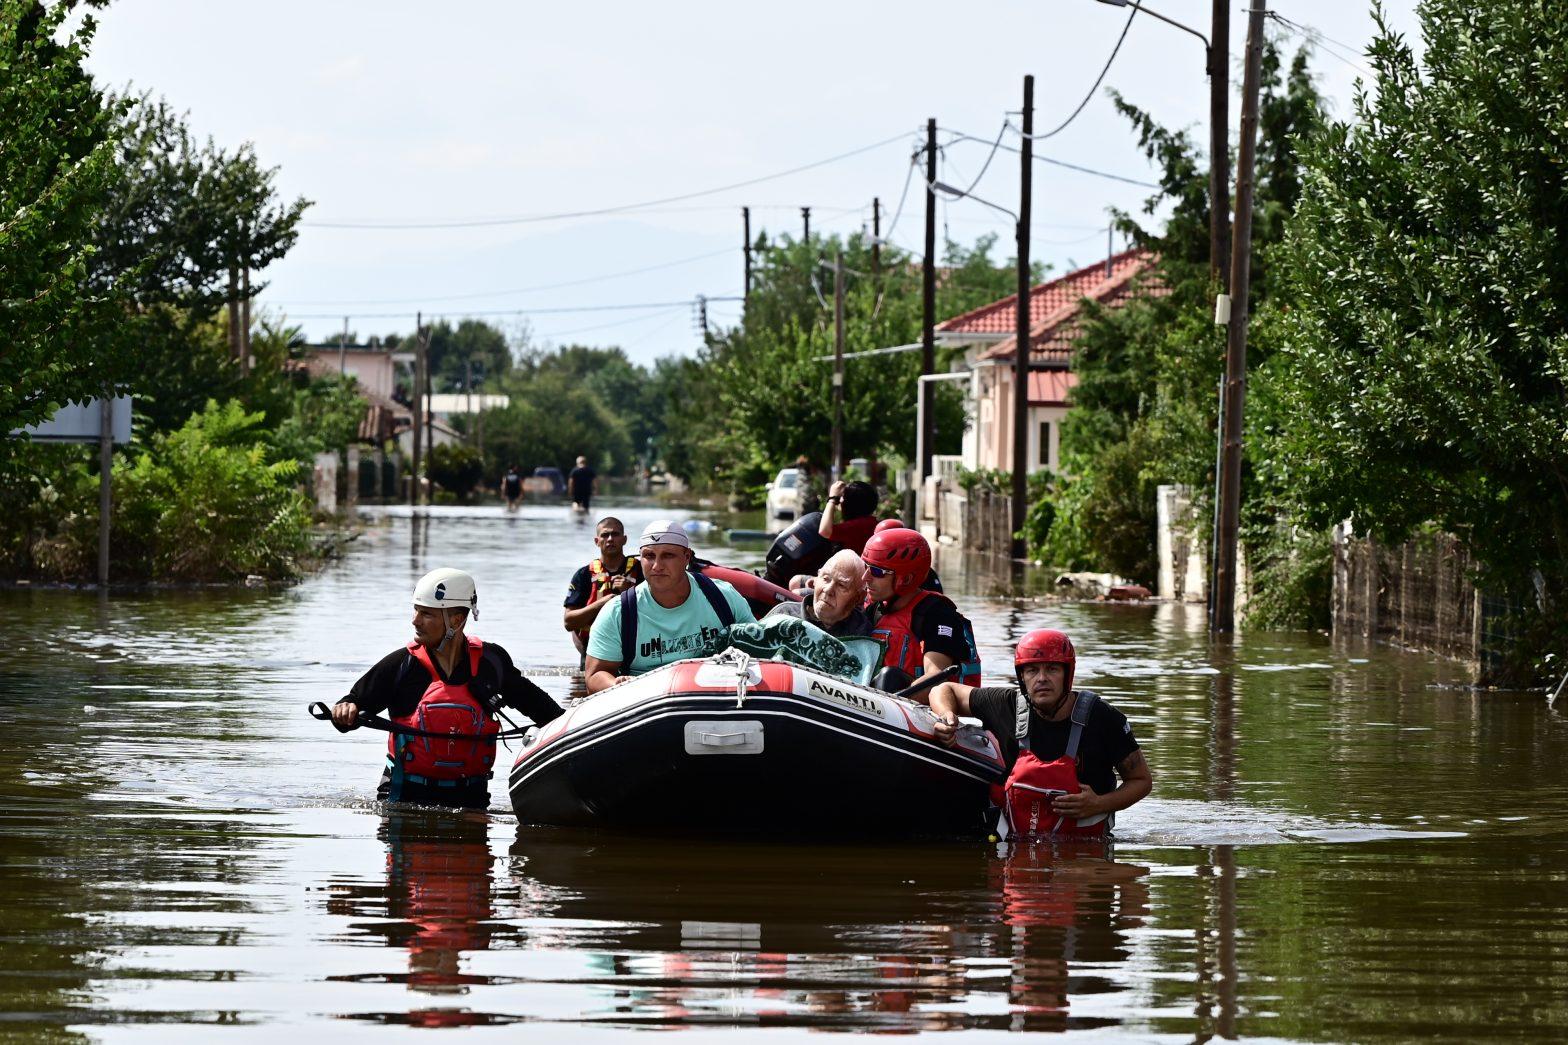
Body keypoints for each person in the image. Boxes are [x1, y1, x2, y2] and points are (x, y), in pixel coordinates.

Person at [331, 568, 564, 809]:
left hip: (471, 797)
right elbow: (352, 704)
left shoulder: (491, 662)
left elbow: (546, 712)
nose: (415, 620)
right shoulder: (402, 664)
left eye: (427, 614)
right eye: (416, 610)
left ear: (456, 619)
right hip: (403, 796)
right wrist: (345, 710)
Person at [928, 629, 1150, 839]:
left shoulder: (1104, 718)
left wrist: (1099, 804)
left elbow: (1141, 781)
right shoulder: (1007, 706)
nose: (1042, 678)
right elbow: (943, 689)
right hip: (1016, 850)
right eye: (1032, 670)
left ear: (1067, 674)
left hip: (1085, 856)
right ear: (1022, 677)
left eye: (1052, 669)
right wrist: (946, 716)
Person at [584, 520, 757, 692]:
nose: (657, 566)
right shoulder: (617, 613)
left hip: (716, 694)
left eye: (668, 555)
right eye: (649, 556)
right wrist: (616, 685)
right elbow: (595, 674)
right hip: (645, 702)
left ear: (687, 557)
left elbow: (758, 649)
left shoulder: (723, 596)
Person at [862, 527, 980, 690]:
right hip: (875, 699)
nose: (865, 577)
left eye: (876, 571)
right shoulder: (873, 608)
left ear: (907, 578)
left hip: (916, 705)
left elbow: (935, 678)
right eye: (865, 566)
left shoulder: (938, 614)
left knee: (889, 678)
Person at [562, 516, 643, 662]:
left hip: (636, 652)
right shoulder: (583, 575)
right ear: (597, 541)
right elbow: (568, 622)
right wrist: (603, 602)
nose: (610, 539)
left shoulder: (642, 571)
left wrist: (629, 594)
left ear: (624, 539)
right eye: (605, 535)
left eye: (615, 534)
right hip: (594, 652)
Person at [764, 549, 874, 638]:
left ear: (857, 598)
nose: (828, 590)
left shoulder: (862, 632)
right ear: (816, 580)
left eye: (841, 585)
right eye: (826, 578)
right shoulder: (784, 614)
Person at [817, 480, 879, 553]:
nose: (840, 500)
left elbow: (824, 531)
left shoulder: (858, 526)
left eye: (843, 496)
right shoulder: (869, 522)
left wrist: (832, 499)